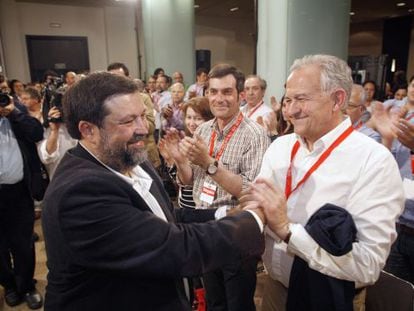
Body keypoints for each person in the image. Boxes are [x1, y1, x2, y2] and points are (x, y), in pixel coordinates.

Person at [41, 72, 267, 311]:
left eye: (143, 116)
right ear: (88, 130)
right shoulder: (79, 193)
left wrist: (223, 214)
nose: (144, 129)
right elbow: (176, 249)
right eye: (128, 121)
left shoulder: (131, 159)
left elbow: (166, 216)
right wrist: (253, 220)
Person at [240, 54, 404, 311]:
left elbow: (367, 266)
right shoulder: (280, 148)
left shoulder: (373, 162)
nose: (291, 110)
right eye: (289, 99)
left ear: (337, 100)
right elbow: (258, 204)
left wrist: (288, 231)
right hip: (273, 289)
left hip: (330, 299)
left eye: (302, 99)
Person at [173, 64, 270, 310]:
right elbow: (189, 181)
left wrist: (208, 163)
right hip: (205, 224)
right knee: (214, 300)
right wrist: (180, 161)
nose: (219, 98)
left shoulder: (255, 135)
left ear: (240, 95)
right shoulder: (204, 129)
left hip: (236, 227)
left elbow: (249, 192)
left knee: (237, 302)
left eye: (227, 92)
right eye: (213, 92)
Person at [0, 94, 44, 309]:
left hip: (18, 192)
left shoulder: (16, 114)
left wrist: (15, 113)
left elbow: (37, 132)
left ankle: (26, 285)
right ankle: (8, 285)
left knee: (23, 243)